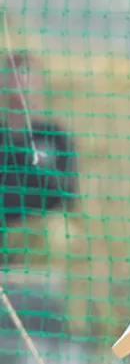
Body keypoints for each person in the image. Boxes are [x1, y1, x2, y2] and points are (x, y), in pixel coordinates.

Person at [0, 51, 77, 244]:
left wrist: (42, 172)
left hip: (42, 240)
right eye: (14, 73)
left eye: (27, 73)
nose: (21, 81)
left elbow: (68, 194)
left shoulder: (54, 135)